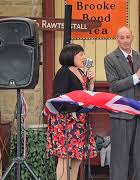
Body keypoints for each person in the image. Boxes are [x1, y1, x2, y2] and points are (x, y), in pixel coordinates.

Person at [104, 26, 140, 180]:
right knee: (120, 157)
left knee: (138, 157)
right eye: (121, 37)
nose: (125, 41)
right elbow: (114, 85)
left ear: (132, 37)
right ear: (117, 39)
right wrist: (136, 77)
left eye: (127, 37)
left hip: (139, 113)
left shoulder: (139, 57)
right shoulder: (110, 58)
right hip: (121, 114)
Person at [46, 44, 97, 180]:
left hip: (80, 121)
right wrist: (74, 108)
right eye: (80, 54)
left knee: (77, 158)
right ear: (70, 56)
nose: (84, 57)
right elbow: (60, 96)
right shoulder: (63, 72)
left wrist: (91, 82)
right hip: (66, 122)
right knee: (65, 158)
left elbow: (87, 96)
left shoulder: (81, 72)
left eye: (83, 54)